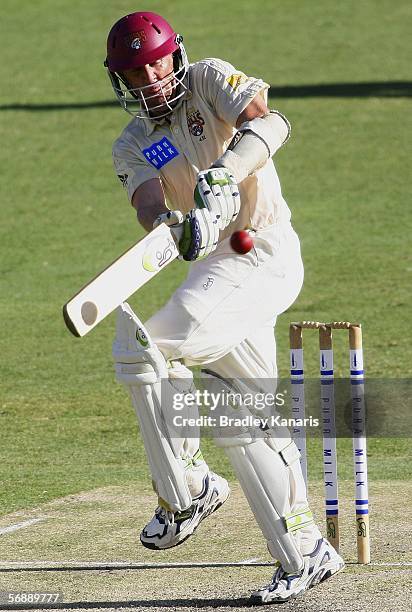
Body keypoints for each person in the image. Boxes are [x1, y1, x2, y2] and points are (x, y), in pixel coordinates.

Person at [105, 10, 344, 603]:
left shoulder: (210, 80)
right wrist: (166, 222)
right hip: (216, 270)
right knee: (249, 417)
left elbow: (274, 123)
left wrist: (225, 175)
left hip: (262, 252)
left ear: (176, 54)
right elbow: (145, 199)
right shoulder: (135, 141)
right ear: (121, 80)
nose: (151, 78)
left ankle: (186, 487)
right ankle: (304, 549)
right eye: (135, 72)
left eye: (156, 62)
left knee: (147, 349)